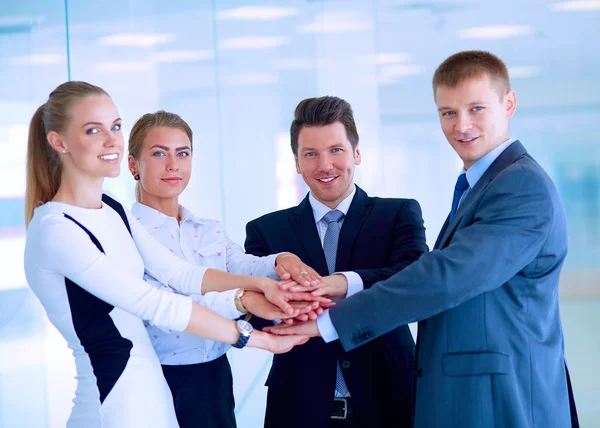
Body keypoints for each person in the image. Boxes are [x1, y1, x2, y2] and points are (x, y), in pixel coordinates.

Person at [266, 51, 580, 428]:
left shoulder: (520, 185)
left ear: (508, 104)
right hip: (476, 395)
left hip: (504, 396)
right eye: (448, 112)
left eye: (476, 108)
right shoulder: (480, 185)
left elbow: (446, 275)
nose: (462, 125)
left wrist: (330, 321)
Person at [23, 81, 311, 428]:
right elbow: (156, 302)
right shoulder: (57, 228)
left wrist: (262, 285)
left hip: (152, 394)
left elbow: (182, 275)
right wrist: (253, 334)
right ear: (58, 142)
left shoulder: (112, 210)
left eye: (115, 126)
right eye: (92, 130)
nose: (111, 139)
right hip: (113, 403)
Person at [126, 110, 329, 428]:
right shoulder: (126, 234)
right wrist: (244, 299)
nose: (173, 165)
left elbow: (242, 264)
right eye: (158, 153)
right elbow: (168, 309)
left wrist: (281, 262)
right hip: (160, 377)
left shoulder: (207, 229)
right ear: (133, 165)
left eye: (183, 153)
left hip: (216, 373)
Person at [245, 96, 427, 428]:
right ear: (297, 163)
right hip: (298, 409)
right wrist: (287, 303)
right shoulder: (265, 231)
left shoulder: (398, 214)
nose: (325, 165)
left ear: (356, 153)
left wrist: (343, 283)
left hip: (390, 403)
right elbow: (255, 318)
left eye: (336, 150)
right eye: (310, 154)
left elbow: (415, 281)